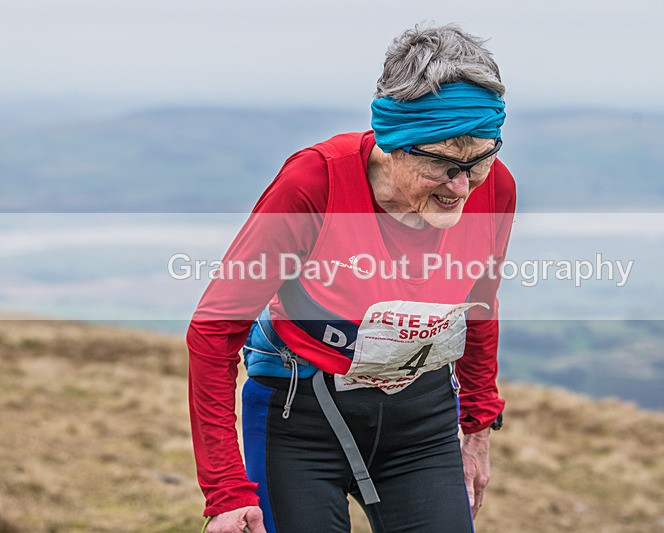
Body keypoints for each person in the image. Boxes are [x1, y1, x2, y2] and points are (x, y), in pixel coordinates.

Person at [187, 23, 516, 533]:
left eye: (478, 160)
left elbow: (479, 307)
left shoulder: (494, 189)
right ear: (396, 142)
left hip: (422, 423)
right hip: (298, 420)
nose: (461, 186)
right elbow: (214, 329)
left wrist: (476, 427)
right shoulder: (314, 183)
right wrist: (226, 490)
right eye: (444, 165)